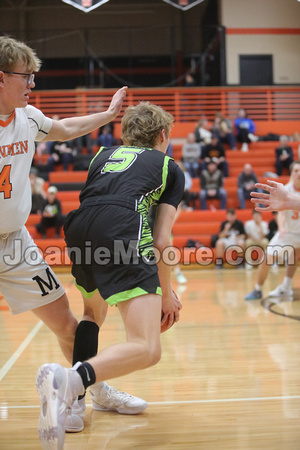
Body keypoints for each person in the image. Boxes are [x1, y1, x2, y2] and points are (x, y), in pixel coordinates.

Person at [0, 35, 144, 432]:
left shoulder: (27, 119)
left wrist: (107, 115)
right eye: (25, 77)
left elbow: (63, 128)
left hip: (13, 242)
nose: (32, 85)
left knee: (67, 323)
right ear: (0, 78)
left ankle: (89, 390)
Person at [36, 101, 184, 449]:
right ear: (163, 135)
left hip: (80, 227)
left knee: (92, 314)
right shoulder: (168, 165)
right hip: (120, 228)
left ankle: (74, 408)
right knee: (147, 348)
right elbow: (162, 240)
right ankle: (70, 381)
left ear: (126, 134)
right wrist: (166, 292)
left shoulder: (101, 156)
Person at [245, 161, 300, 300]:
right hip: (288, 232)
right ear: (291, 173)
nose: (299, 174)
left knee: (294, 258)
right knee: (268, 258)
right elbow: (281, 213)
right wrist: (281, 228)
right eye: (296, 171)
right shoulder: (286, 190)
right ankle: (258, 289)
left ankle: (286, 288)